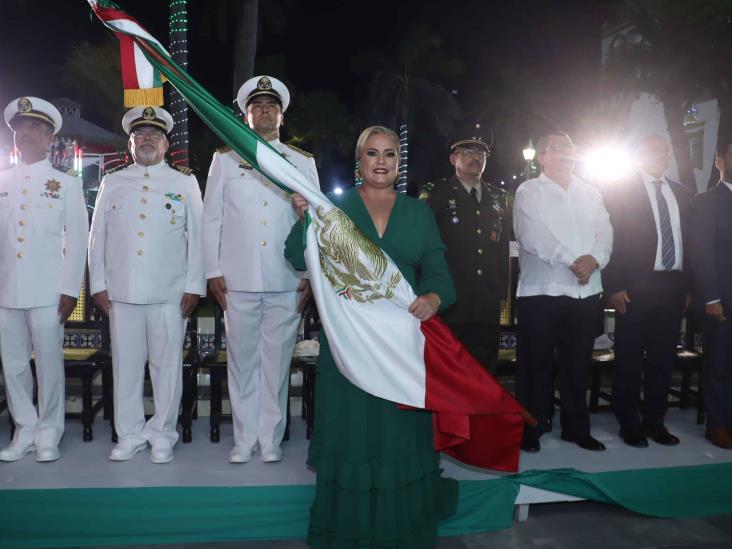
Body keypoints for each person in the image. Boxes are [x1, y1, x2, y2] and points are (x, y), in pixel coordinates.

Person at [286, 126, 457, 547]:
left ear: (399, 164)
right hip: (348, 348)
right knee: (353, 432)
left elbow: (440, 276)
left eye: (390, 155)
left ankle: (403, 526)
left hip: (403, 349)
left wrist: (434, 297)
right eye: (372, 154)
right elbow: (295, 255)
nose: (381, 162)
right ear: (358, 162)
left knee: (399, 435)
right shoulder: (335, 207)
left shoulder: (418, 212)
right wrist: (304, 217)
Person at [203, 75, 320, 464]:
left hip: (286, 277)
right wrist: (212, 271)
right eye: (257, 106)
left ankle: (270, 438)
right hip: (237, 279)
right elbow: (212, 220)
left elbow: (315, 223)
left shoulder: (302, 163)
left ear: (282, 117)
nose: (265, 111)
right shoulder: (225, 159)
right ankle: (244, 437)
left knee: (276, 362)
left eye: (272, 106)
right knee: (241, 360)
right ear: (246, 115)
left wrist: (310, 275)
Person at [88, 106, 205, 464]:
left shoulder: (184, 182)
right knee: (126, 366)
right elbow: (98, 237)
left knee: (166, 367)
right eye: (141, 135)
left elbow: (198, 238)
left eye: (155, 135)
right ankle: (130, 434)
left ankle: (163, 434)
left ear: (167, 143)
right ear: (131, 143)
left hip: (170, 293)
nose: (148, 140)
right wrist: (98, 284)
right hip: (121, 292)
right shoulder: (114, 180)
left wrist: (194, 285)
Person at [0, 96, 88, 462]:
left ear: (50, 137)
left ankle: (50, 430)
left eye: (35, 127)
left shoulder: (65, 185)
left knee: (49, 361)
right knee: (14, 363)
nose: (26, 133)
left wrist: (70, 290)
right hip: (6, 290)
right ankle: (25, 428)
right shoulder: (1, 180)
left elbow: (79, 239)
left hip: (49, 290)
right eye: (20, 127)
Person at [513, 131, 613, 453]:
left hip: (586, 294)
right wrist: (574, 261)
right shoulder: (529, 191)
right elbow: (532, 236)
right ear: (542, 156)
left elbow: (606, 233)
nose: (567, 153)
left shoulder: (592, 192)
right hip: (542, 291)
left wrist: (595, 259)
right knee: (535, 366)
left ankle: (576, 428)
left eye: (570, 147)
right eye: (557, 148)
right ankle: (531, 428)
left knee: (577, 365)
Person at [603, 135, 691, 447]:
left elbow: (688, 243)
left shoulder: (682, 193)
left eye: (665, 150)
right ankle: (629, 422)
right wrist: (613, 285)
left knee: (663, 359)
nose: (661, 154)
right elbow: (608, 239)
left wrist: (688, 288)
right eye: (653, 149)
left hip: (672, 287)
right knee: (629, 358)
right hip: (632, 289)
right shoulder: (620, 191)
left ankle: (655, 422)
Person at [419, 129, 509, 372]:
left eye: (480, 152)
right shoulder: (436, 194)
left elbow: (502, 250)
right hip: (448, 298)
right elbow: (423, 245)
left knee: (485, 368)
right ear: (453, 159)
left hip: (487, 300)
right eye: (467, 152)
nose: (475, 157)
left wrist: (501, 293)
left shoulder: (499, 198)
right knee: (448, 368)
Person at [688, 132, 732, 450]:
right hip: (723, 300)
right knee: (719, 363)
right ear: (720, 160)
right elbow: (700, 252)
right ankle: (718, 425)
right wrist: (712, 297)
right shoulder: (706, 203)